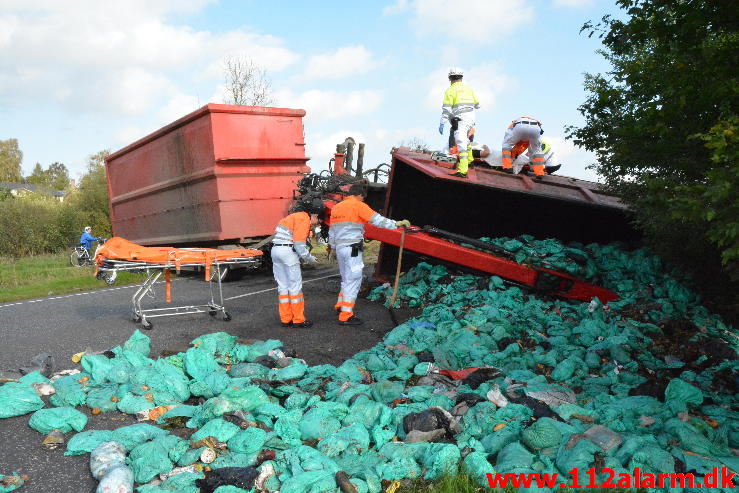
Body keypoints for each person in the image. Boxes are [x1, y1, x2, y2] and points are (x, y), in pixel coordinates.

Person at [329, 183, 410, 325]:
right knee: (354, 278)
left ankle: (341, 306)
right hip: (353, 246)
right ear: (360, 195)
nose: (363, 200)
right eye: (363, 198)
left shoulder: (337, 207)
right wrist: (396, 224)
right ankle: (346, 315)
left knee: (346, 277)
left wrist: (332, 247)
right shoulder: (358, 205)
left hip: (341, 247)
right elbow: (378, 220)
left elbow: (332, 231)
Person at [271, 203, 323, 328]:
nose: (315, 223)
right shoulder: (303, 218)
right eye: (317, 220)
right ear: (313, 215)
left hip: (276, 251)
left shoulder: (289, 218)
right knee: (295, 286)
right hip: (288, 253)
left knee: (282, 286)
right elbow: (299, 244)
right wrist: (309, 258)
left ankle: (285, 319)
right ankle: (298, 320)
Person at [439, 67, 479, 178]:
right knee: (466, 140)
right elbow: (477, 104)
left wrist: (442, 122)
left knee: (460, 141)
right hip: (471, 117)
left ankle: (463, 170)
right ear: (461, 78)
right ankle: (470, 161)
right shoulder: (468, 89)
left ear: (450, 78)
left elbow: (447, 108)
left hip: (460, 118)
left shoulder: (450, 90)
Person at [472, 139, 561, 175]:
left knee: (524, 158)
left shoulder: (469, 150)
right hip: (499, 156)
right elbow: (486, 153)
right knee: (524, 159)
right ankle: (543, 167)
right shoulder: (470, 151)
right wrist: (485, 146)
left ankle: (544, 166)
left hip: (504, 156)